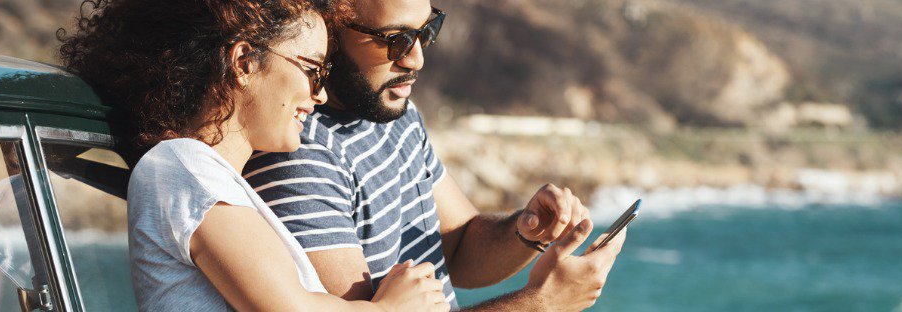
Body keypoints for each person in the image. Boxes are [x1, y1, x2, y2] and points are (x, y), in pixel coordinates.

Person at [59, 0, 448, 310]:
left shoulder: (202, 177)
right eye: (313, 69)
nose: (321, 94)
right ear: (244, 62)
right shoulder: (183, 167)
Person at [242, 0, 629, 310]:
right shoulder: (295, 154)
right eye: (393, 39)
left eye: (426, 31)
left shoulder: (393, 111)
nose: (415, 59)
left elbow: (458, 247)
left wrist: (524, 231)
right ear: (327, 30)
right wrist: (543, 303)